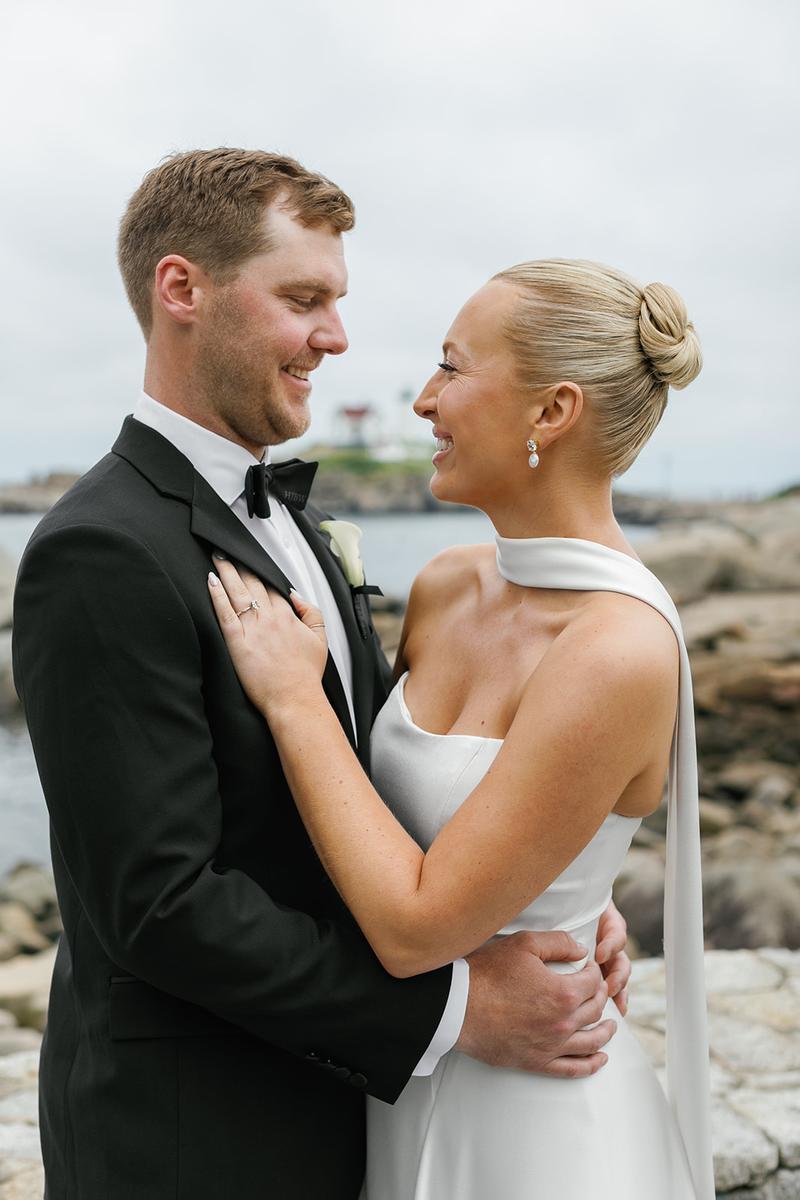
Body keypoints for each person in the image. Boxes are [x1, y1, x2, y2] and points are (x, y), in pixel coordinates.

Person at [11, 151, 630, 1200]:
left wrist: (537, 902)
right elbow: (157, 906)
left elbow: (369, 779)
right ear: (182, 290)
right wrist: (460, 1009)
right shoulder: (100, 550)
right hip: (196, 1143)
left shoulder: (295, 523)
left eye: (335, 303)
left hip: (350, 1118)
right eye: (303, 300)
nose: (335, 337)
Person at [206, 258, 715, 1199]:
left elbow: (414, 929)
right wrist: (567, 887)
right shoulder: (447, 585)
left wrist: (292, 698)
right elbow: (399, 817)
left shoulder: (618, 650)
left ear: (551, 411)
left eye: (451, 366)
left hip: (539, 1129)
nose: (423, 401)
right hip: (398, 1089)